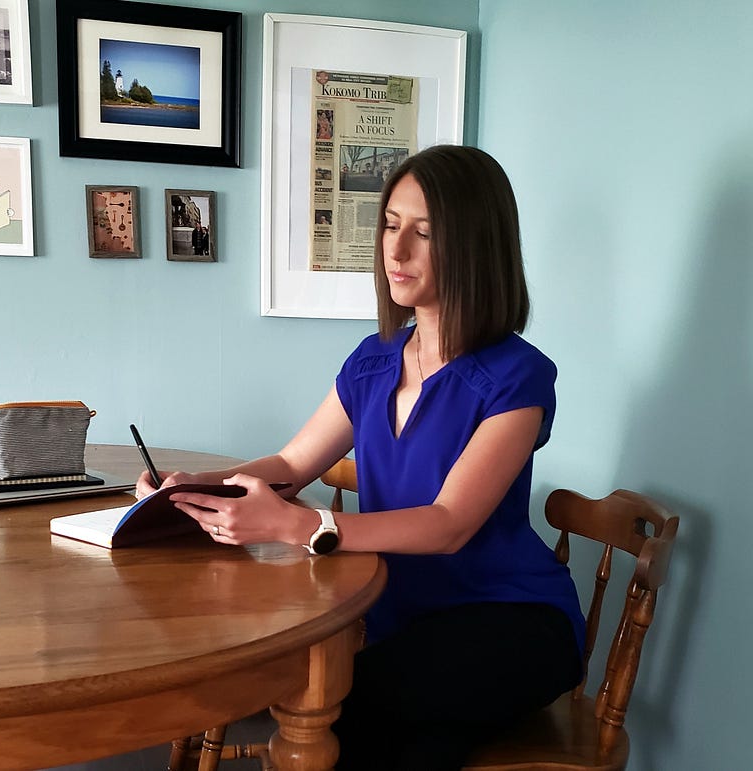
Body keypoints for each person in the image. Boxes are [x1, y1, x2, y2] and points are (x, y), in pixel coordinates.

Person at [135, 144, 586, 769]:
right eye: (391, 226)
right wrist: (194, 486)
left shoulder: (518, 379)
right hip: (407, 623)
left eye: (424, 233)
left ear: (477, 248)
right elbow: (294, 463)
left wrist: (304, 527)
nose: (396, 251)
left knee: (337, 706)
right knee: (407, 744)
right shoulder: (373, 361)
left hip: (513, 620)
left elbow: (449, 523)